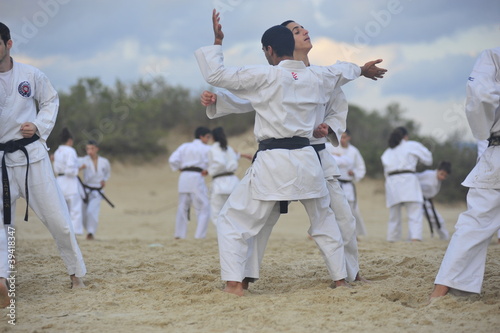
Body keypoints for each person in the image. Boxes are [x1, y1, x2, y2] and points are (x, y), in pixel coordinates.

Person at [200, 19, 385, 287]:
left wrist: (329, 127)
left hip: (301, 156)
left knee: (340, 219)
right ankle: (334, 279)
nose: (305, 32)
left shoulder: (279, 75)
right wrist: (360, 69)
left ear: (270, 50)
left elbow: (336, 108)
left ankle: (348, 273)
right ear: (288, 42)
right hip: (304, 157)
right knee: (308, 221)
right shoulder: (318, 77)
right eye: (297, 31)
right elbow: (342, 70)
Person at [0, 22, 86, 307]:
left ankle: (76, 273)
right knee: (1, 226)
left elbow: (50, 100)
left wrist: (37, 125)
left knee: (59, 220)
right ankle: (2, 280)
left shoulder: (31, 75)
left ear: (9, 44)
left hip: (32, 158)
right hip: (0, 160)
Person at [430, 47, 500, 299]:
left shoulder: (494, 55)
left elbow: (479, 94)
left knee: (477, 221)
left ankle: (445, 289)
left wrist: (483, 132)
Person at [381, 127, 433, 242]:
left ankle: (392, 238)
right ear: (405, 136)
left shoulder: (388, 152)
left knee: (394, 214)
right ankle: (415, 237)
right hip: (408, 179)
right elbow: (428, 159)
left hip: (391, 181)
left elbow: (385, 171)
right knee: (414, 211)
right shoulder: (411, 145)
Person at [168, 126, 212, 239]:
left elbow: (172, 160)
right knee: (203, 206)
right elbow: (213, 162)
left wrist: (179, 168)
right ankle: (199, 235)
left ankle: (179, 234)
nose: (208, 139)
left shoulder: (184, 146)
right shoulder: (206, 149)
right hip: (196, 177)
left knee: (183, 205)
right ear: (201, 136)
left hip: (184, 177)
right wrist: (208, 170)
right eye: (207, 137)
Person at [327, 129, 368, 238]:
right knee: (329, 209)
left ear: (349, 137)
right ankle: (327, 233)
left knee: (352, 210)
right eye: (340, 137)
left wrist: (354, 173)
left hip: (347, 184)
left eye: (344, 137)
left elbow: (361, 167)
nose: (342, 140)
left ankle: (354, 233)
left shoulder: (354, 151)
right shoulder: (330, 147)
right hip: (333, 183)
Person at [207, 127, 251, 227]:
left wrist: (210, 170)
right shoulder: (229, 148)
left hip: (219, 183)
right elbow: (234, 158)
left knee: (216, 212)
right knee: (233, 212)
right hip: (233, 182)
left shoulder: (213, 149)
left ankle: (223, 234)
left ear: (213, 137)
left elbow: (220, 163)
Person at [78, 140, 111, 240]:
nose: (90, 151)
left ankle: (91, 233)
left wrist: (104, 180)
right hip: (85, 190)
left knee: (91, 211)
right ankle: (88, 229)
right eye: (88, 149)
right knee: (83, 213)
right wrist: (80, 168)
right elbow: (71, 167)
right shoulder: (83, 160)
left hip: (97, 191)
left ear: (97, 149)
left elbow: (107, 173)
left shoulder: (104, 161)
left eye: (92, 148)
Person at [53, 128, 83, 235]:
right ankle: (76, 231)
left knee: (62, 208)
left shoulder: (57, 152)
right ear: (70, 140)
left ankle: (63, 230)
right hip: (70, 182)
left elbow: (55, 168)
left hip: (59, 181)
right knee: (75, 208)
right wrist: (78, 169)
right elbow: (70, 169)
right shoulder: (71, 151)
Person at [416, 161, 452, 240]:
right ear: (438, 170)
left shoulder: (437, 179)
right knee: (416, 220)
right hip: (417, 200)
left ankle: (445, 238)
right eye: (442, 174)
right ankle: (413, 238)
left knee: (438, 220)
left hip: (426, 202)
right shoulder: (428, 174)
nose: (443, 177)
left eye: (445, 176)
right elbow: (414, 178)